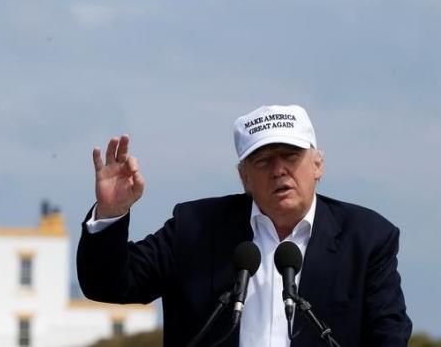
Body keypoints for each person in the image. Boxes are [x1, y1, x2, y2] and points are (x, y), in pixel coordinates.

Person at [77, 104, 412, 347]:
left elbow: (389, 337)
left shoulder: (367, 239)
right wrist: (111, 212)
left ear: (318, 165)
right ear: (244, 177)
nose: (279, 170)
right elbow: (109, 284)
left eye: (291, 156)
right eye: (263, 160)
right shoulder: (195, 228)